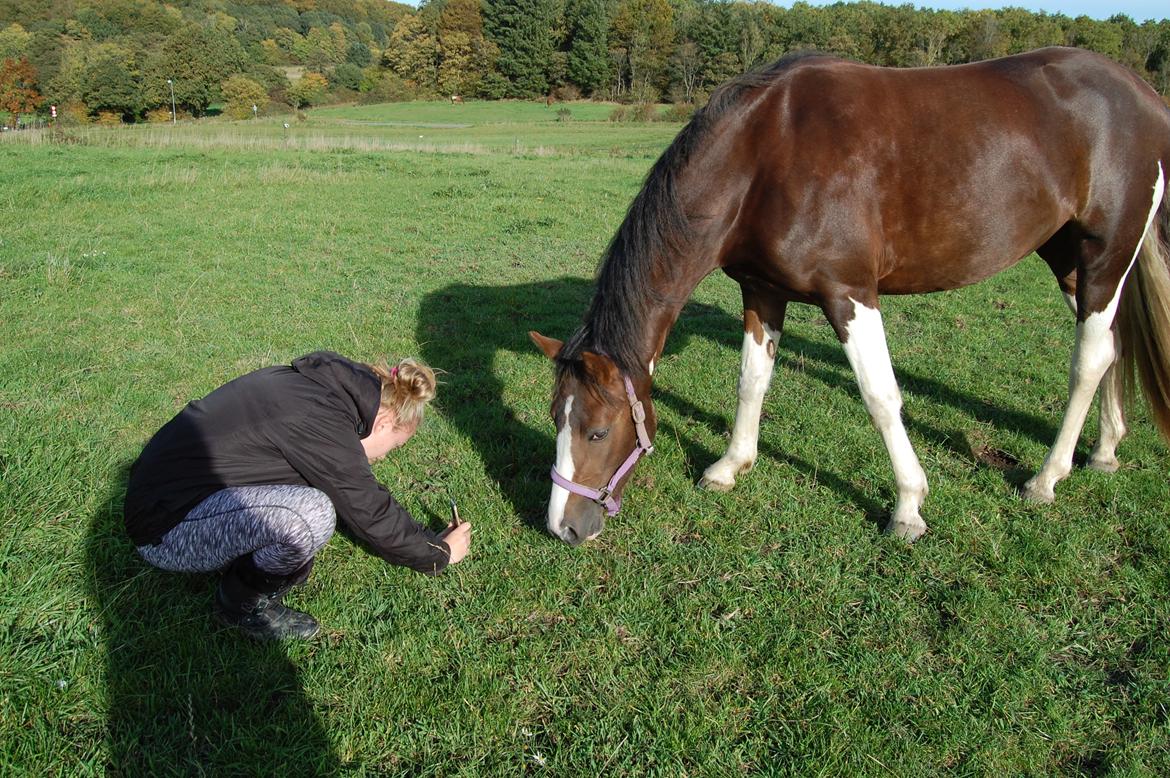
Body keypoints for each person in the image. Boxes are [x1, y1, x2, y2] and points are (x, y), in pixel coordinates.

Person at [123, 350, 471, 640]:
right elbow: (368, 508)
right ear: (383, 423)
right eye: (391, 447)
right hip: (165, 530)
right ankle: (242, 603)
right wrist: (439, 553)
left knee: (313, 496)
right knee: (311, 515)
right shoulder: (322, 422)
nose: (380, 458)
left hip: (165, 497)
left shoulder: (319, 389)